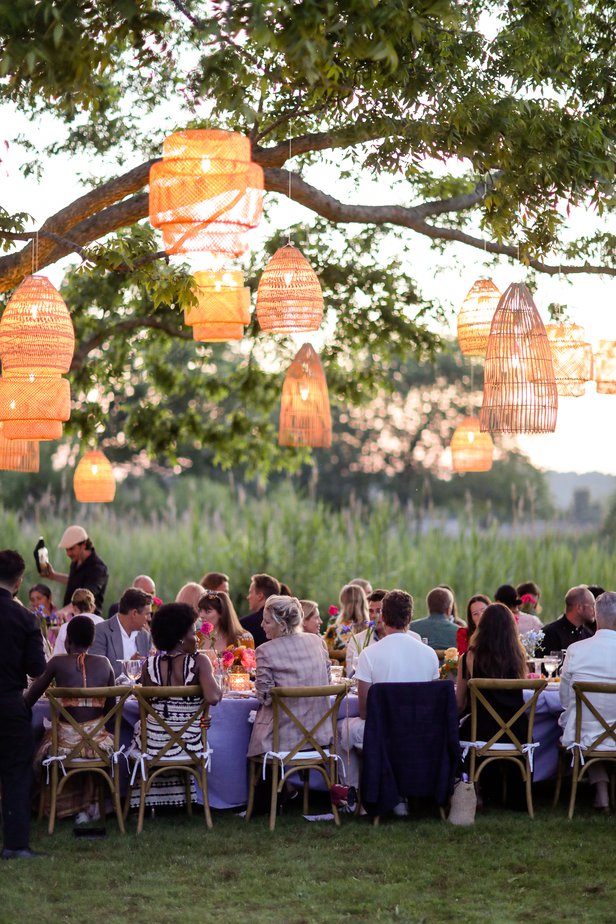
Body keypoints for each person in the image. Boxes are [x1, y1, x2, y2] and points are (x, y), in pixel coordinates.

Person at [341, 589, 439, 791]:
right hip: (420, 731)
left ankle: (354, 793)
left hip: (383, 732)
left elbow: (364, 711)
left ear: (383, 617)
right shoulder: (429, 654)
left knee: (342, 728)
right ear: (410, 617)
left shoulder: (369, 655)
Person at [25, 615, 116, 823]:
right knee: (86, 733)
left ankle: (48, 807)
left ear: (67, 641)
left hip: (64, 745)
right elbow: (111, 709)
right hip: (100, 745)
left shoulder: (57, 662)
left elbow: (30, 698)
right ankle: (91, 805)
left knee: (42, 739)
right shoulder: (105, 663)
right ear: (92, 642)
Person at [130, 603, 221, 807]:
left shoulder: (149, 665)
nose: (196, 636)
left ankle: (148, 800)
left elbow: (143, 711)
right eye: (192, 631)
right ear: (181, 637)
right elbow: (213, 697)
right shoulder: (199, 662)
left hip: (153, 744)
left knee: (137, 731)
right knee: (213, 730)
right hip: (190, 742)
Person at [0, 550, 46, 860]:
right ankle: (15, 846)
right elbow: (36, 669)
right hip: (7, 703)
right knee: (16, 773)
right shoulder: (24, 618)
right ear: (18, 583)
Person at [247, 595, 332, 760]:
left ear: (282, 624)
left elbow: (265, 698)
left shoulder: (265, 650)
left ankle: (265, 785)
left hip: (281, 740)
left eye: (267, 621)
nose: (261, 625)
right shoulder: (317, 642)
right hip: (319, 737)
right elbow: (327, 683)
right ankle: (295, 786)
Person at [559, 591, 616, 813]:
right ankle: (604, 791)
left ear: (596, 616)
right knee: (600, 729)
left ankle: (601, 792)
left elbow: (564, 699)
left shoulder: (576, 650)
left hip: (583, 735)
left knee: (586, 726)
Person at [456, 603, 529, 757]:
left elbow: (460, 704)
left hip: (481, 731)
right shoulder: (519, 658)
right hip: (518, 733)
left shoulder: (469, 657)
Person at [40, 525, 108, 615]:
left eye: (71, 549)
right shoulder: (76, 561)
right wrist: (54, 576)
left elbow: (84, 596)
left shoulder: (98, 568)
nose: (68, 553)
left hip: (87, 622)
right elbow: (75, 581)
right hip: (70, 619)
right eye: (66, 550)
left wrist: (62, 612)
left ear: (83, 545)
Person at [89, 587, 152, 678]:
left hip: (138, 692)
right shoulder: (100, 632)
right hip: (111, 692)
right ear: (134, 613)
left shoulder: (145, 636)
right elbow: (98, 671)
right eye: (147, 614)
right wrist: (129, 667)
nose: (149, 618)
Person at [538, 585, 596, 655]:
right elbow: (543, 664)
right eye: (593, 605)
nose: (595, 610)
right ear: (580, 608)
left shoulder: (588, 635)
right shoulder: (550, 634)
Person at [197, 590, 253, 655]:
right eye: (200, 610)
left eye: (207, 611)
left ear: (222, 613)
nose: (201, 615)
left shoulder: (244, 638)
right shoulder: (196, 638)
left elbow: (249, 664)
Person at [324, 583, 369, 664]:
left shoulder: (369, 628)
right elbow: (325, 651)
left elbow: (325, 651)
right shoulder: (370, 628)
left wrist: (346, 652)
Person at [52, 588, 104, 656]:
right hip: (98, 665)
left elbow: (57, 656)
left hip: (71, 665)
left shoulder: (65, 627)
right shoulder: (103, 623)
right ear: (92, 607)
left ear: (74, 607)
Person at [241, 573, 281, 648]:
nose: (248, 597)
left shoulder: (245, 624)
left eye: (250, 592)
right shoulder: (285, 621)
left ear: (260, 596)